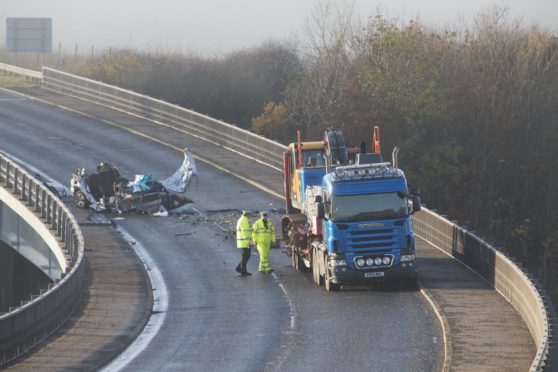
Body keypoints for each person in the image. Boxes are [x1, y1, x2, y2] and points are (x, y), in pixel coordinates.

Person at [235, 210, 253, 276]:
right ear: (247, 215)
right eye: (250, 215)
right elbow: (245, 232)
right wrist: (248, 241)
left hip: (242, 241)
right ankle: (243, 271)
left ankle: (240, 268)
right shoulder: (244, 221)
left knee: (245, 255)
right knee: (246, 256)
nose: (250, 217)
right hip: (244, 241)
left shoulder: (242, 219)